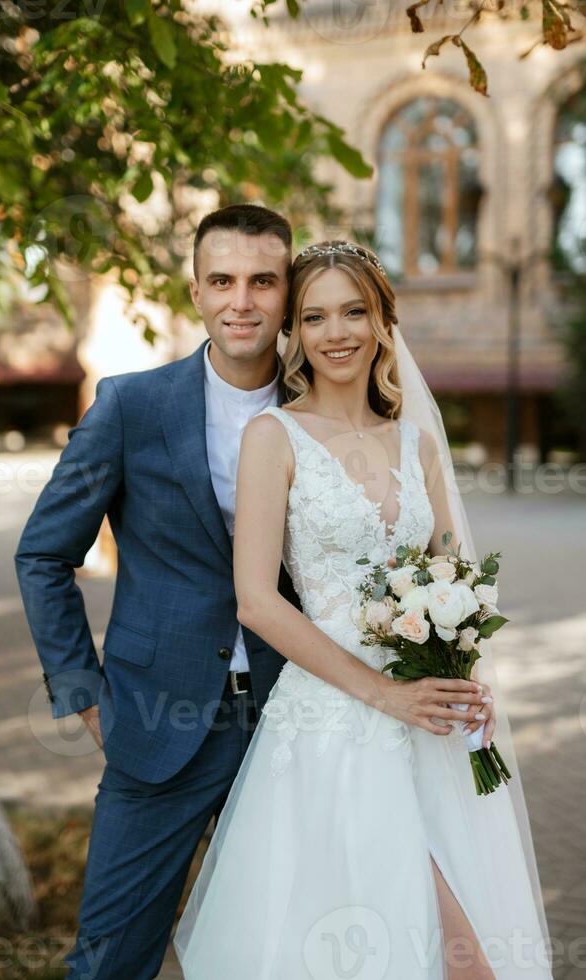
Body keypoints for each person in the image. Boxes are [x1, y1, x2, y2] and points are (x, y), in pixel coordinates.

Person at [174, 241, 553, 979]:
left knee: (467, 949)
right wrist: (383, 692)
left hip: (434, 723)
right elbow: (255, 600)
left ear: (384, 320)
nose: (336, 331)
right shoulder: (273, 437)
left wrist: (466, 674)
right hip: (337, 722)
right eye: (314, 316)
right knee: (430, 952)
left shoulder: (416, 444)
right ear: (295, 333)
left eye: (354, 310)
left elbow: (456, 578)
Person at [15, 203, 310, 978]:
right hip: (160, 719)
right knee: (110, 959)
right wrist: (85, 696)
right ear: (196, 295)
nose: (241, 300)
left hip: (301, 721)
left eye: (262, 281)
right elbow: (43, 555)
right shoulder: (130, 407)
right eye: (222, 280)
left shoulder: (323, 411)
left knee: (297, 950)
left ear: (287, 293)